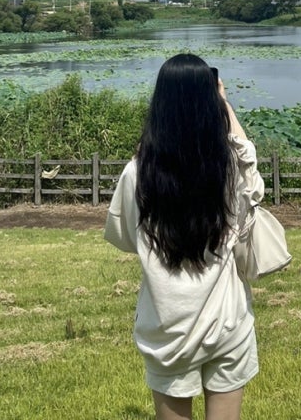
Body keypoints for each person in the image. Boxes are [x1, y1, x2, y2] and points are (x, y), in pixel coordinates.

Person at [104, 53, 265, 420]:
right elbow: (251, 170)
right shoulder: (230, 168)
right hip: (227, 321)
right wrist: (224, 104)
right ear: (211, 102)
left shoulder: (137, 173)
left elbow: (126, 238)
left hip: (167, 327)